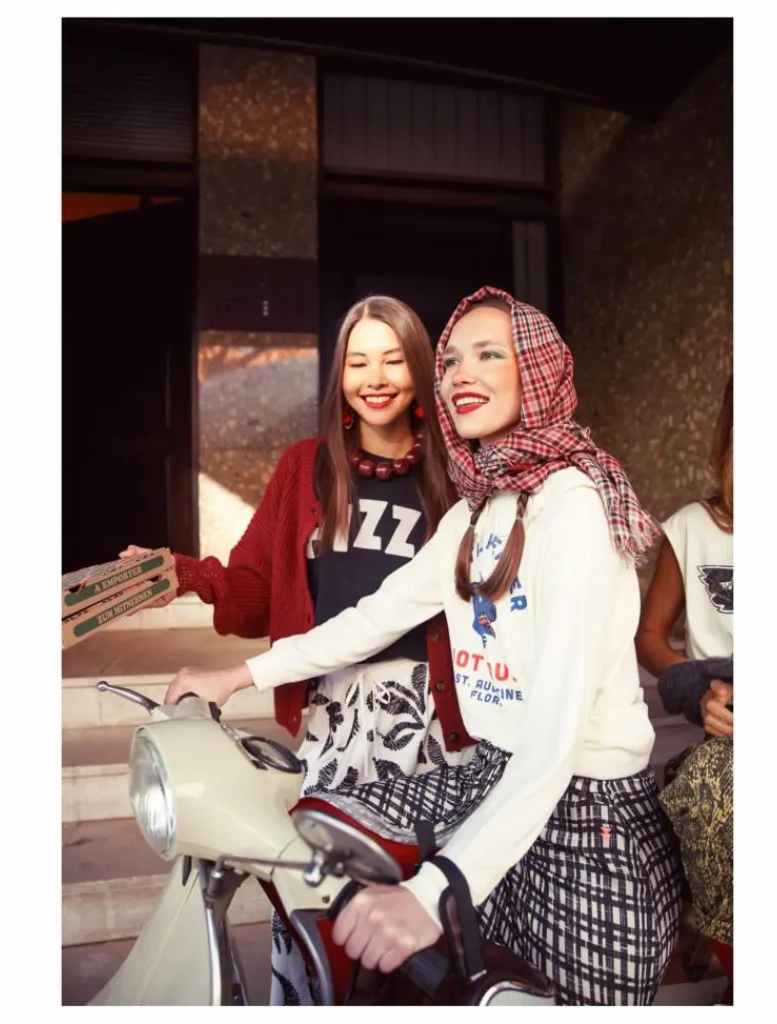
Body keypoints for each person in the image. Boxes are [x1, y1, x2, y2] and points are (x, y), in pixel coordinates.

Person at [165, 286, 685, 1006]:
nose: (462, 374)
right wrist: (239, 675)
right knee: (318, 830)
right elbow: (375, 617)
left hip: (586, 810)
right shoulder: (478, 507)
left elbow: (554, 744)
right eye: (453, 361)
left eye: (489, 354)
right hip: (495, 778)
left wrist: (432, 891)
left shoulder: (575, 510)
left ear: (539, 372)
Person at [122, 295, 475, 1005]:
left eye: (393, 359)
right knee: (320, 898)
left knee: (422, 911)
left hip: (433, 725)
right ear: (339, 374)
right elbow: (257, 594)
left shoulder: (458, 471)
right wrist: (186, 576)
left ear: (421, 369)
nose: (375, 378)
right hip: (333, 720)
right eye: (358, 361)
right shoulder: (304, 469)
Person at [635, 375, 734, 1002]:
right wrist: (696, 689)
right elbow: (649, 635)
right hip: (724, 726)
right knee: (706, 792)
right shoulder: (694, 528)